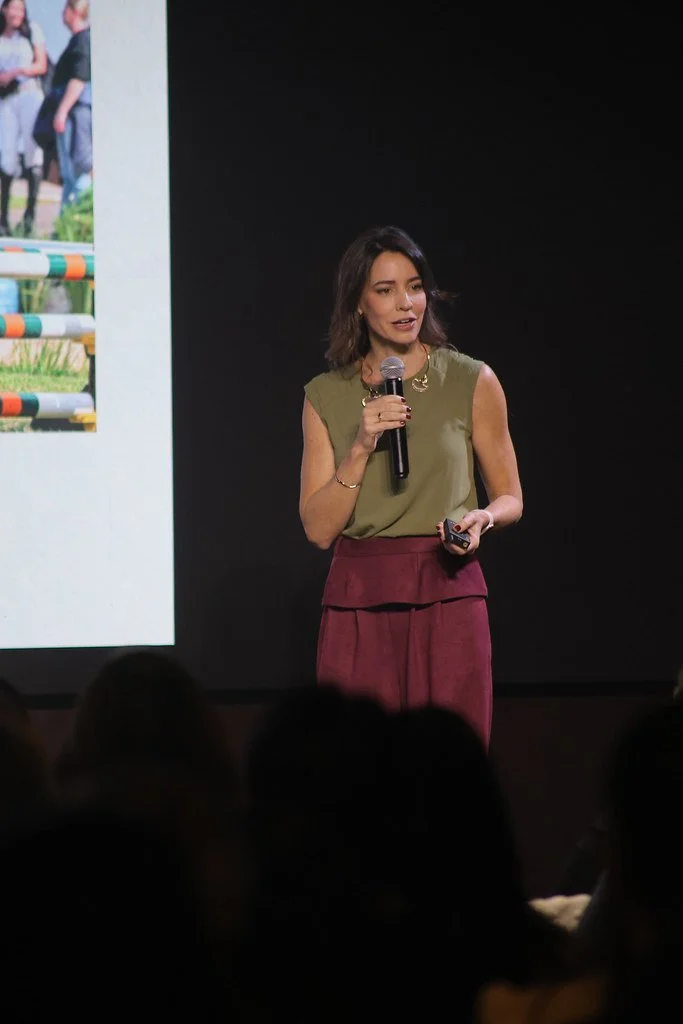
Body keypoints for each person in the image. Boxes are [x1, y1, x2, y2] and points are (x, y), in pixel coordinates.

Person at [299, 225, 523, 745]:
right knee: (357, 764)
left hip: (447, 591)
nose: (406, 303)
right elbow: (318, 530)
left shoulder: (472, 379)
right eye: (385, 290)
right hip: (359, 598)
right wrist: (361, 446)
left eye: (415, 287)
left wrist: (482, 519)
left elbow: (511, 496)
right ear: (358, 304)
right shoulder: (324, 395)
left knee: (447, 764)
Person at [0, 0, 47, 235]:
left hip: (29, 94)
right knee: (7, 155)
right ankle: (3, 220)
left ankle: (30, 216)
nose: (17, 13)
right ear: (4, 9)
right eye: (13, 8)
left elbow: (41, 65)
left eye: (21, 8)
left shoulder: (32, 31)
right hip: (7, 99)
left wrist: (15, 72)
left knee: (33, 152)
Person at [52, 0, 91, 213]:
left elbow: (79, 78)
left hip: (75, 116)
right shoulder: (78, 40)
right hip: (72, 113)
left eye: (65, 8)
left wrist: (62, 111)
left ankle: (76, 219)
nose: (62, 13)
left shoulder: (83, 40)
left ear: (74, 11)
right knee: (69, 175)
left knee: (77, 173)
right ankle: (66, 221)